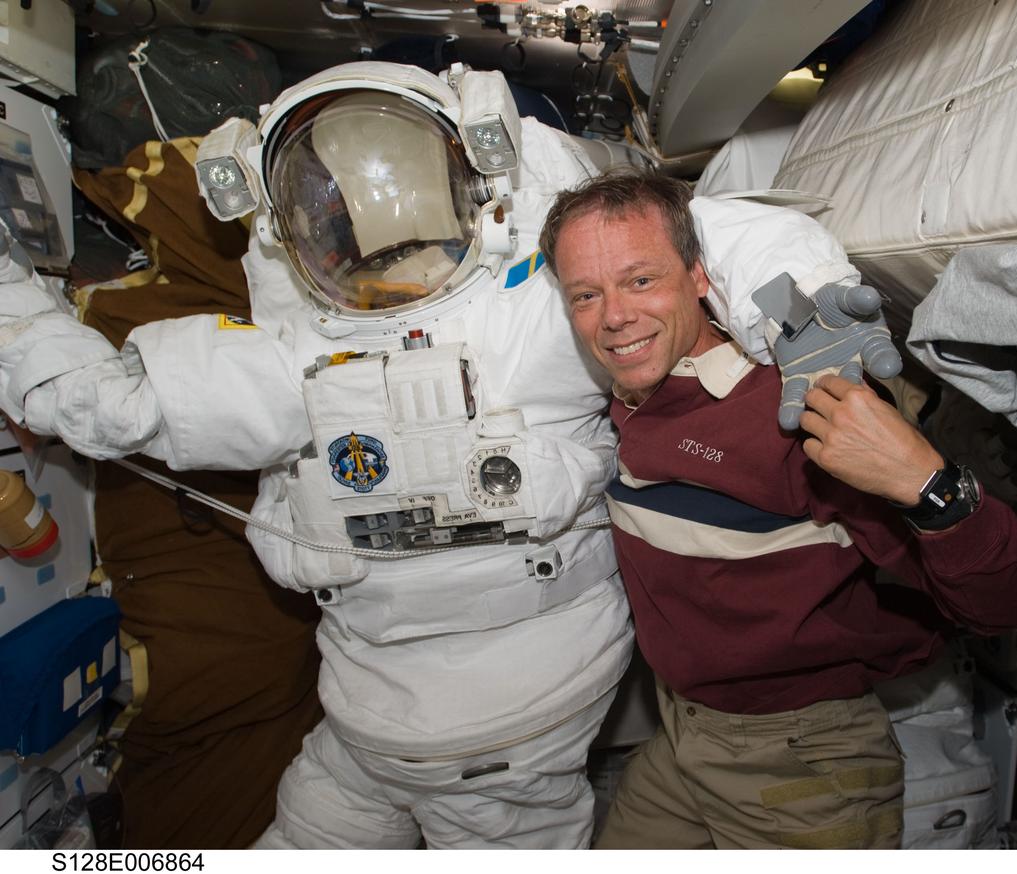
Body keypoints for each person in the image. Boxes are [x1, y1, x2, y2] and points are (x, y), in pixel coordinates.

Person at [0, 63, 900, 848]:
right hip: (364, 722)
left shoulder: (538, 313)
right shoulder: (294, 359)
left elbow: (690, 239)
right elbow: (98, 403)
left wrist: (808, 309)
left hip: (510, 729)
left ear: (478, 179)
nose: (371, 246)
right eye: (331, 213)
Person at [539, 169, 1017, 850]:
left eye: (640, 280)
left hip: (798, 756)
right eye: (586, 295)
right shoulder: (622, 395)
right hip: (683, 733)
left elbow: (1001, 605)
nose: (614, 317)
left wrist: (930, 484)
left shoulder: (793, 413)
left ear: (698, 276)